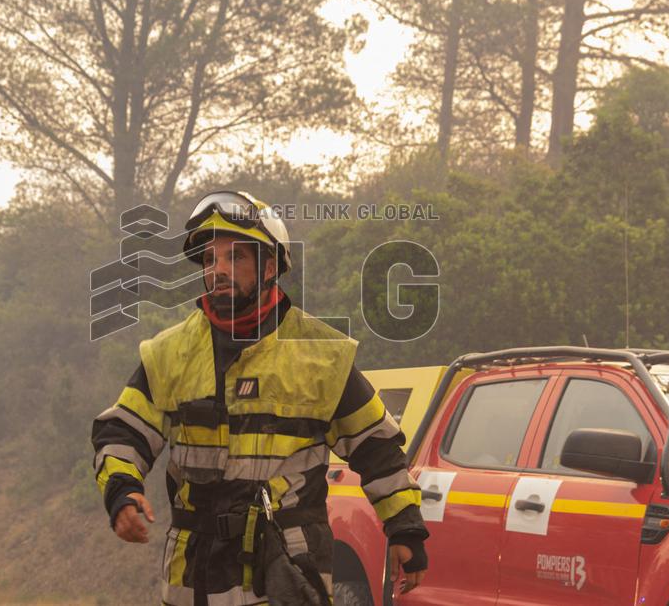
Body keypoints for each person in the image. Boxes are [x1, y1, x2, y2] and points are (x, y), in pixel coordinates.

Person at [91, 190, 428, 605]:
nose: (218, 270)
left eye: (236, 258)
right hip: (192, 576)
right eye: (211, 259)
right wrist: (122, 490)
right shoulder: (169, 354)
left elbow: (377, 449)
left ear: (270, 266)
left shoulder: (321, 355)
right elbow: (122, 433)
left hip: (285, 573)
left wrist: (405, 527)